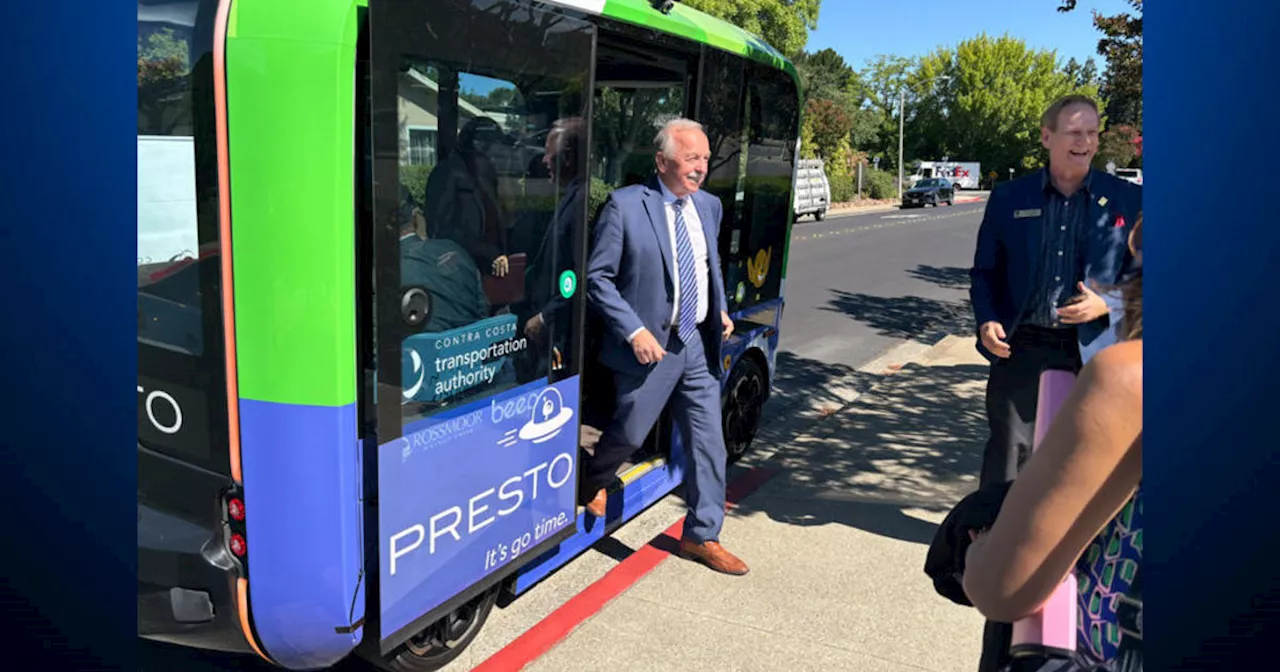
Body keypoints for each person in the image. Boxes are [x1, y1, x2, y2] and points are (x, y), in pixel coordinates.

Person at [967, 93, 1141, 671]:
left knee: (1086, 484)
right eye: (1073, 130)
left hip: (1096, 353)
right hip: (1024, 350)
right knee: (1011, 473)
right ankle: (1004, 596)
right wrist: (986, 320)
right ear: (1045, 136)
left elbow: (1149, 280)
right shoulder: (1010, 197)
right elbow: (985, 272)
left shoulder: (1128, 201)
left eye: (1092, 131)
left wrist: (1107, 302)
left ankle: (1064, 578)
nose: (1085, 140)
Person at [583, 117, 745, 575]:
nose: (701, 169)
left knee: (709, 443)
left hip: (695, 342)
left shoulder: (708, 207)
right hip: (651, 344)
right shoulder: (627, 206)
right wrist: (634, 332)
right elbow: (599, 279)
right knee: (629, 433)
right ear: (662, 161)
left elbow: (707, 267)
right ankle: (590, 482)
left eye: (706, 159)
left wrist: (719, 311)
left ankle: (701, 536)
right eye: (691, 159)